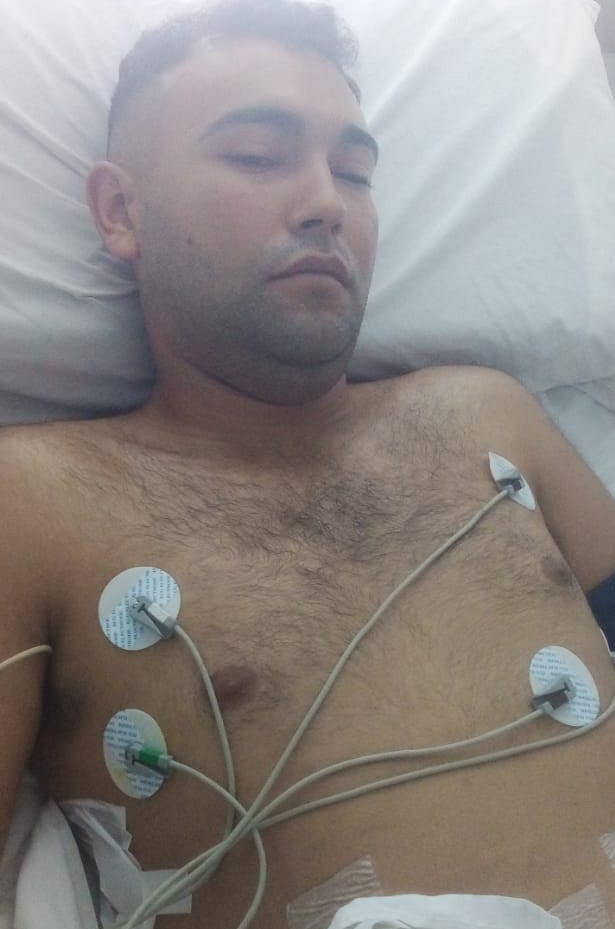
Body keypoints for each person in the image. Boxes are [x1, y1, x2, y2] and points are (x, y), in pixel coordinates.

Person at [1, 1, 615, 926]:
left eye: (355, 172)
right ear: (122, 211)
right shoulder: (35, 501)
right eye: (258, 156)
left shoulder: (488, 413)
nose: (327, 201)